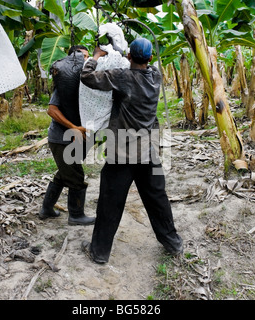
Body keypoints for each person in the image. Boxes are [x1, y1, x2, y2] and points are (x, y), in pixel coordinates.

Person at [79, 38, 183, 263]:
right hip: (147, 153)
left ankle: (99, 252)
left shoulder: (122, 77)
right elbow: (142, 65)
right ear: (150, 59)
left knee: (110, 202)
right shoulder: (155, 76)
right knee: (157, 199)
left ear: (128, 57)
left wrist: (96, 56)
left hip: (121, 155)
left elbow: (87, 77)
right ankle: (173, 243)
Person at [39, 45, 95, 226]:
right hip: (61, 139)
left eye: (88, 57)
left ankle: (46, 208)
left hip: (72, 140)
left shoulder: (83, 83)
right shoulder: (65, 84)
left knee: (64, 174)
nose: (85, 61)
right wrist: (74, 127)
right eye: (82, 57)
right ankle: (76, 215)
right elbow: (52, 110)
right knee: (76, 177)